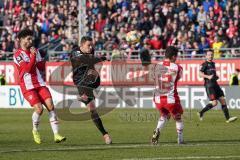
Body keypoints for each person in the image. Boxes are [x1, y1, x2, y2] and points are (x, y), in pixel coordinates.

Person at [13, 28, 66, 144]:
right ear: (22, 40)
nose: (30, 41)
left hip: (40, 83)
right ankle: (35, 130)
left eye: (31, 38)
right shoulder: (17, 55)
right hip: (27, 86)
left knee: (51, 106)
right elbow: (27, 69)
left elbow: (40, 67)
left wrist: (47, 62)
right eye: (28, 39)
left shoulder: (35, 51)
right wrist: (33, 56)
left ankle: (56, 134)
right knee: (39, 109)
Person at [70, 36, 112, 144]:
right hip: (80, 82)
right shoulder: (75, 52)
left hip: (91, 80)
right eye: (88, 45)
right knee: (92, 109)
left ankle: (84, 97)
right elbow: (86, 60)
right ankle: (105, 134)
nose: (90, 47)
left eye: (91, 45)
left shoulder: (91, 51)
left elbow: (92, 61)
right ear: (82, 45)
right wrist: (101, 58)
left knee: (93, 74)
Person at [151, 46, 184, 145]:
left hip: (157, 99)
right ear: (173, 56)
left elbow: (154, 78)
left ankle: (157, 130)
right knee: (178, 117)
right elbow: (177, 78)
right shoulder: (177, 67)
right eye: (176, 56)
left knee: (164, 115)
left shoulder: (156, 66)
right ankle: (180, 139)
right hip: (170, 98)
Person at [198, 50, 237, 123]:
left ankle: (228, 118)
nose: (211, 56)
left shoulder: (213, 63)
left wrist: (216, 77)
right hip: (209, 86)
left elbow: (212, 74)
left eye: (212, 55)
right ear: (206, 56)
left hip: (215, 84)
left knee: (222, 100)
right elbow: (200, 74)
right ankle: (201, 112)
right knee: (214, 103)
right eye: (209, 55)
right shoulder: (204, 64)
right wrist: (208, 76)